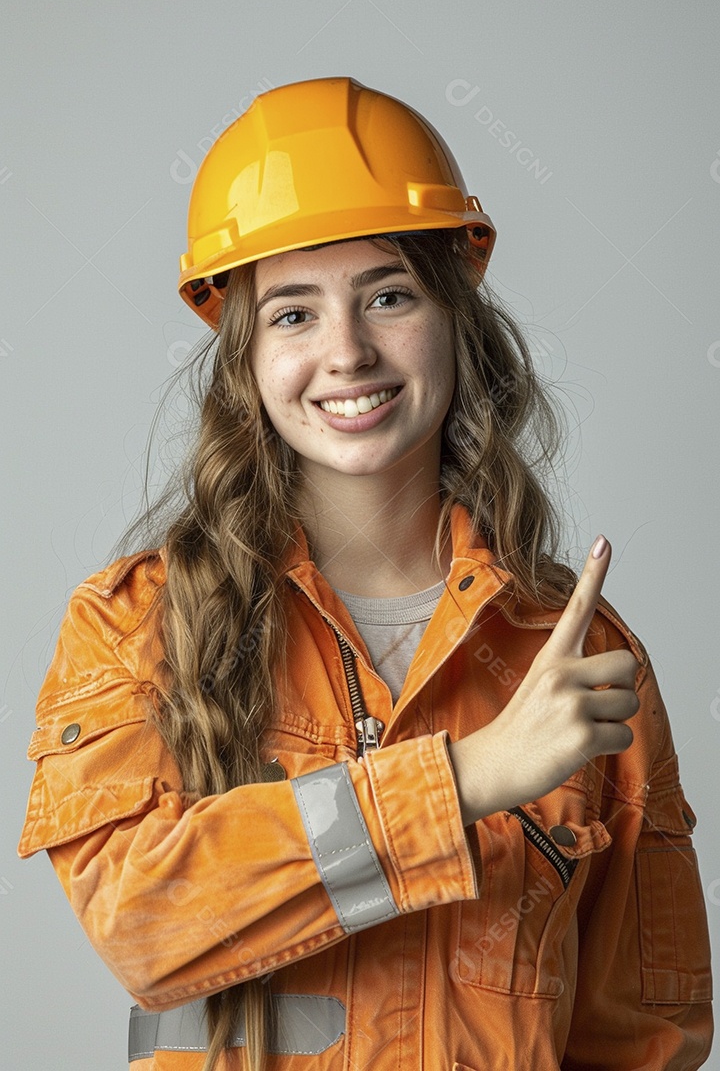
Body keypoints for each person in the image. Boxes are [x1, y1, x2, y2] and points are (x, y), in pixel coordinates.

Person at [18, 76, 712, 1071]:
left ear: (455, 316)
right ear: (244, 356)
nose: (346, 352)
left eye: (388, 296)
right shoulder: (136, 629)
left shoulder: (583, 658)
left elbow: (642, 1041)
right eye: (294, 314)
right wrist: (470, 778)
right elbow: (144, 925)